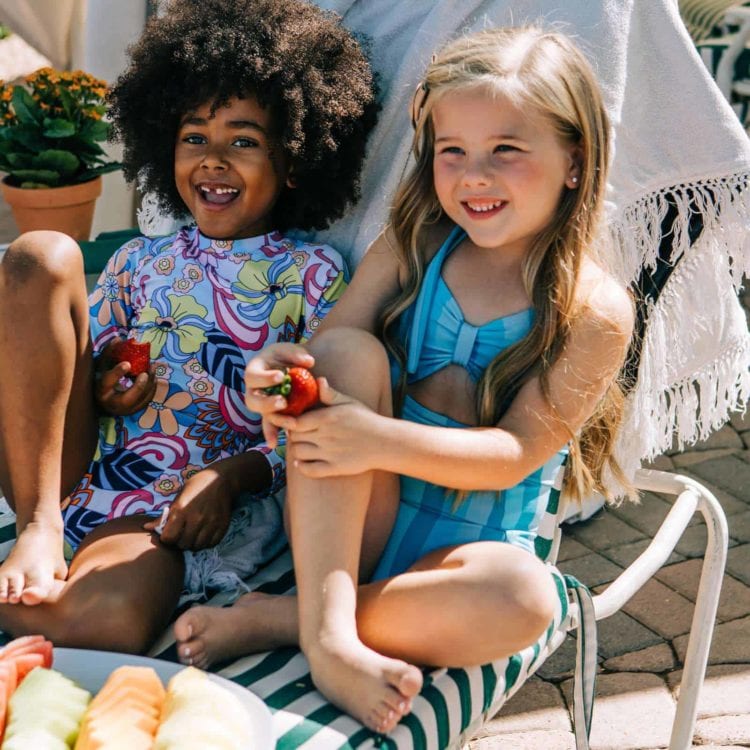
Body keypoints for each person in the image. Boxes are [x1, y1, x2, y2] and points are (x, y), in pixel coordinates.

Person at [173, 26, 635, 733]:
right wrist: (275, 372)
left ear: (574, 160)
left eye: (506, 150)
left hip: (464, 556)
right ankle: (331, 638)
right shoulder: (414, 244)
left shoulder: (594, 310)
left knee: (528, 598)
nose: (474, 176)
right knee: (350, 355)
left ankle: (293, 620)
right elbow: (320, 353)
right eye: (453, 152)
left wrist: (375, 440)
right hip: (350, 524)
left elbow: (513, 454)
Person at [0, 0, 377, 653]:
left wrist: (232, 477)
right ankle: (35, 530)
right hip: (64, 473)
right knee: (39, 254)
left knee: (104, 623)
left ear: (294, 161)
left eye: (244, 140)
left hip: (172, 515)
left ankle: (43, 588)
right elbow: (57, 373)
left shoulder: (312, 276)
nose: (213, 158)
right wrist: (101, 382)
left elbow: (315, 425)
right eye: (194, 137)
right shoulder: (137, 260)